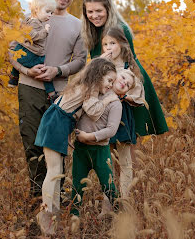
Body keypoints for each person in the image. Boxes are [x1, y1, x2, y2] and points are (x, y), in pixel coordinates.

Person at [8, 0, 86, 216]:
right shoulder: (28, 19)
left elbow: (82, 60)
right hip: (29, 87)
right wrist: (26, 69)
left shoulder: (77, 25)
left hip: (60, 93)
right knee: (31, 143)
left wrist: (59, 70)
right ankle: (36, 196)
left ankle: (56, 197)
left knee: (56, 145)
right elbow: (11, 52)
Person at [34, 58, 119, 235]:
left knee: (57, 173)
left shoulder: (85, 84)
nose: (111, 85)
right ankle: (47, 218)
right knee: (54, 171)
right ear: (99, 75)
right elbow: (94, 112)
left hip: (57, 123)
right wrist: (108, 100)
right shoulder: (91, 88)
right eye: (109, 80)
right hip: (56, 124)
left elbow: (68, 109)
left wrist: (66, 134)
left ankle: (53, 218)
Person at [82, 0, 168, 138]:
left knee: (129, 137)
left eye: (99, 11)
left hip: (127, 82)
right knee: (109, 137)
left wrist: (124, 90)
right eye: (90, 12)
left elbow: (130, 61)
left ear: (108, 9)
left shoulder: (120, 29)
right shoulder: (91, 31)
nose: (94, 16)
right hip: (107, 85)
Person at [69, 68, 138, 217]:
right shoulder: (93, 93)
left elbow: (111, 130)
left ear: (124, 92)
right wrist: (70, 132)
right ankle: (73, 219)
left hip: (100, 150)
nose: (124, 82)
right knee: (77, 185)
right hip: (81, 150)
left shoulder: (116, 104)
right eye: (123, 77)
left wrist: (89, 136)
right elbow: (77, 113)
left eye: (127, 84)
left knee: (108, 186)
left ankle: (120, 217)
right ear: (113, 76)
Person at [100, 26, 146, 199]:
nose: (109, 47)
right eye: (105, 44)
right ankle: (108, 199)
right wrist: (99, 64)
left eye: (113, 43)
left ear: (122, 44)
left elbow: (139, 93)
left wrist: (126, 96)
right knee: (107, 161)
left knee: (125, 161)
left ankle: (125, 198)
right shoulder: (103, 64)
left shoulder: (129, 66)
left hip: (124, 117)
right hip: (105, 116)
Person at [8, 0, 57, 99]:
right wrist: (45, 31)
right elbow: (33, 37)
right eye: (47, 11)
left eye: (52, 13)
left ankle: (13, 79)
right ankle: (51, 93)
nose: (50, 15)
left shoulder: (29, 19)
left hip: (22, 49)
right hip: (31, 52)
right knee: (44, 70)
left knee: (18, 57)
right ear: (36, 10)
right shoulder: (34, 23)